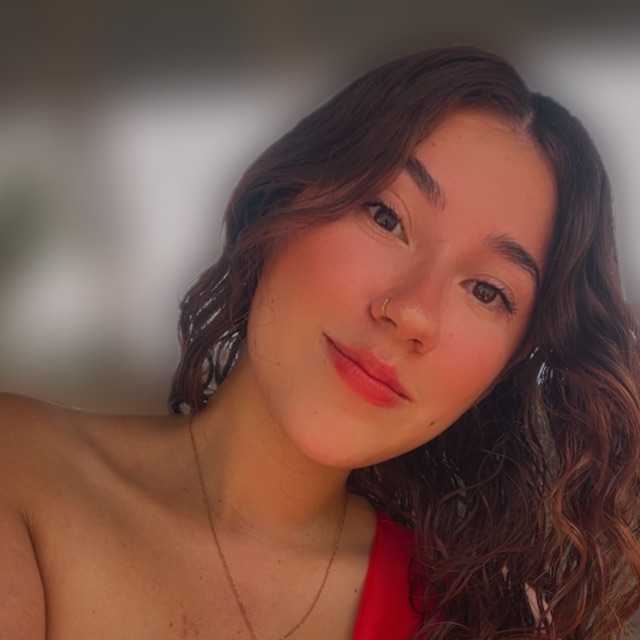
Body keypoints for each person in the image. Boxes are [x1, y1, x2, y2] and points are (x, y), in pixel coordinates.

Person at [1, 45, 639, 640]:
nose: (412, 312)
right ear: (285, 198)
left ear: (508, 365)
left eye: (487, 291)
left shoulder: (474, 620)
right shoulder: (20, 470)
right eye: (386, 217)